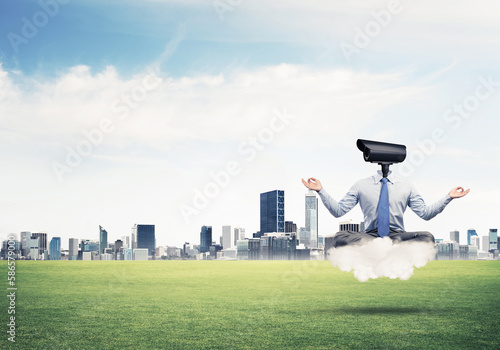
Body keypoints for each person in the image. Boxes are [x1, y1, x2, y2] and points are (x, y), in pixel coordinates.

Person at [301, 171, 470, 247]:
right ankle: (381, 246)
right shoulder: (361, 185)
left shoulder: (406, 185)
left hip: (397, 234)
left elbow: (425, 214)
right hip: (370, 235)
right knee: (338, 238)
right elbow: (338, 211)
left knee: (427, 238)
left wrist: (449, 197)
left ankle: (385, 246)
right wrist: (320, 191)